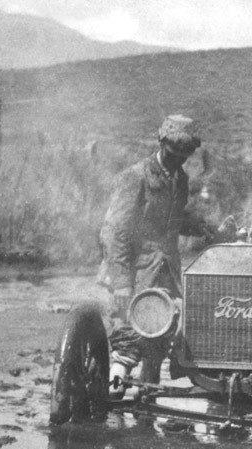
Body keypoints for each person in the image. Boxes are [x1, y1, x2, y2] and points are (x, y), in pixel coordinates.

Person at [97, 114, 202, 389]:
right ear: (161, 142)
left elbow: (173, 219)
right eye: (173, 152)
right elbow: (114, 232)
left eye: (184, 154)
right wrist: (121, 284)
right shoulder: (135, 177)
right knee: (127, 340)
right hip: (133, 271)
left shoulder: (180, 179)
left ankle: (146, 410)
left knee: (157, 343)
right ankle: (115, 395)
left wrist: (202, 226)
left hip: (165, 273)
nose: (178, 158)